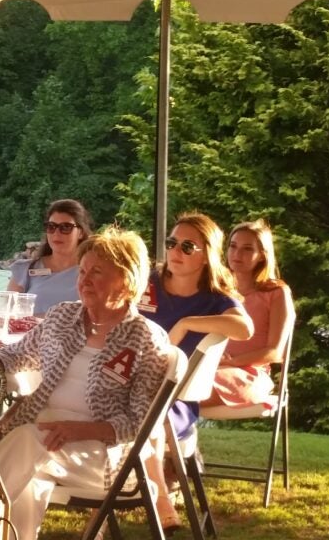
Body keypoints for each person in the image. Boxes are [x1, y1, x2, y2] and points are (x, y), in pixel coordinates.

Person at [0, 228, 172, 540]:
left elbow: (141, 423)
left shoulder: (146, 338)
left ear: (127, 281)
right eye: (83, 270)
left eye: (97, 272)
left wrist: (79, 430)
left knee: (26, 443)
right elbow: (20, 353)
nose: (84, 280)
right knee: (28, 473)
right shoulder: (63, 316)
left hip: (106, 455)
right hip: (47, 439)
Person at [136, 212, 253, 531]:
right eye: (172, 243)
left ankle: (159, 498)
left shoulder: (213, 297)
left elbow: (245, 328)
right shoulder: (149, 282)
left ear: (206, 256)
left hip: (175, 400)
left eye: (188, 246)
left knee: (147, 413)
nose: (175, 251)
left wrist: (186, 324)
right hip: (131, 382)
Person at [203, 220, 294, 408]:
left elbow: (275, 352)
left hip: (249, 374)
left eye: (247, 249)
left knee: (186, 390)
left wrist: (232, 362)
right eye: (233, 246)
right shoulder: (218, 289)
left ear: (262, 255)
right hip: (210, 366)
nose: (237, 254)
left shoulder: (276, 292)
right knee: (172, 382)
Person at [6, 199, 93, 316]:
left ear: (81, 233)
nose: (57, 233)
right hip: (30, 334)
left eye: (66, 227)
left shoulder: (93, 273)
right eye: (51, 226)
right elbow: (6, 317)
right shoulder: (24, 270)